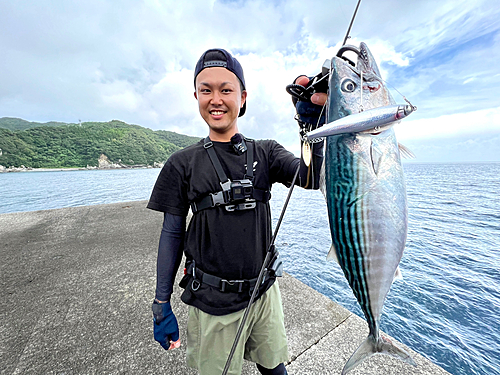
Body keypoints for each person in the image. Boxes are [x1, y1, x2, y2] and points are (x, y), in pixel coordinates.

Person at [147, 48, 327, 375]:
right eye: (206, 90)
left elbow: (312, 177)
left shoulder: (266, 152)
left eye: (226, 90)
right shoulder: (181, 163)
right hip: (212, 305)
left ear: (242, 97)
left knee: (275, 369)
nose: (216, 98)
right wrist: (161, 304)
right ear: (197, 96)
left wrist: (311, 127)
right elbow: (172, 232)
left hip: (264, 294)